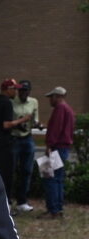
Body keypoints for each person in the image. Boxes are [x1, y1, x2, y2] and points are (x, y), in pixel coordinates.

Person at [0, 78, 30, 200]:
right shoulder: (6, 103)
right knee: (6, 174)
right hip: (3, 141)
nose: (16, 92)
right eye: (14, 89)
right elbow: (6, 125)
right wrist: (23, 120)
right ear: (8, 90)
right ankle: (6, 203)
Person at [41, 85, 76, 220]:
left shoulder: (59, 109)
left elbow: (56, 129)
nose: (50, 100)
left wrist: (49, 145)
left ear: (57, 96)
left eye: (51, 97)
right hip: (63, 148)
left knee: (50, 178)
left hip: (56, 148)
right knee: (59, 179)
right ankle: (58, 208)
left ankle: (53, 209)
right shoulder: (68, 109)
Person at [11, 80, 40, 213]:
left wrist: (38, 124)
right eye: (21, 90)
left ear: (29, 91)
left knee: (26, 170)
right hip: (14, 138)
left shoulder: (33, 102)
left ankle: (22, 201)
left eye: (25, 90)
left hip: (27, 138)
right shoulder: (11, 102)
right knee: (11, 170)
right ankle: (8, 200)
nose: (23, 93)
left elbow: (35, 120)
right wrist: (18, 123)